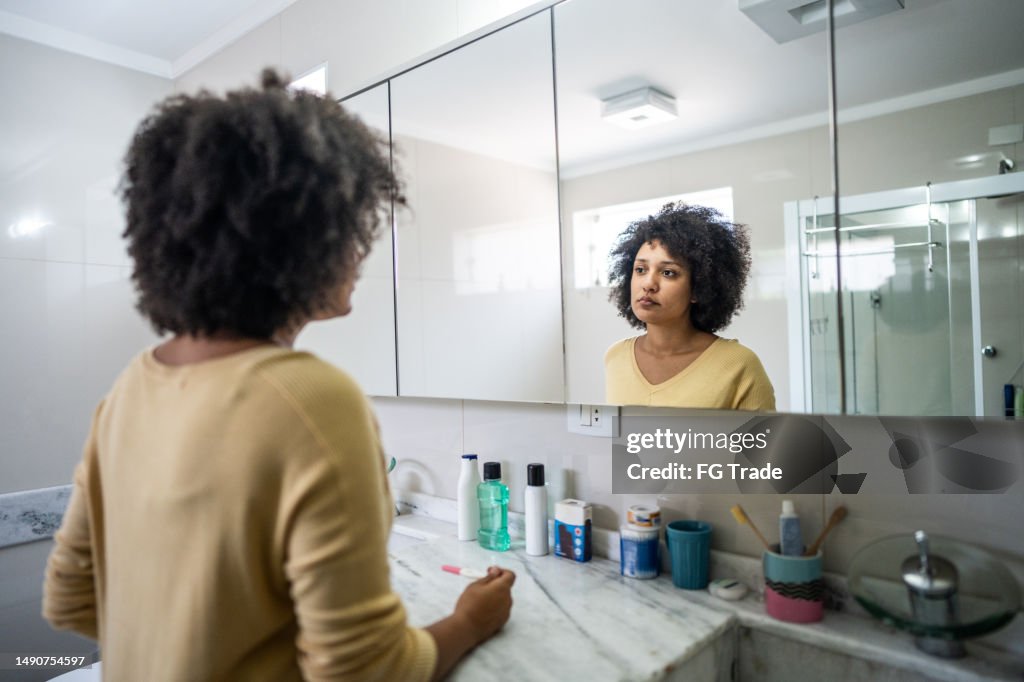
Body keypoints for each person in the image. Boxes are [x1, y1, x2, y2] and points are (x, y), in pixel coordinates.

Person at [42, 69, 514, 681]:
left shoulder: (132, 384)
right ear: (301, 237)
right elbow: (364, 674)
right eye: (351, 225)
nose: (361, 248)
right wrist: (470, 621)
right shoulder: (313, 400)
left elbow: (70, 600)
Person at [604, 202, 775, 410]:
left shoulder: (739, 365)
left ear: (698, 288)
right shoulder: (616, 357)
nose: (648, 284)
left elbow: (764, 442)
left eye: (668, 272)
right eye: (640, 269)